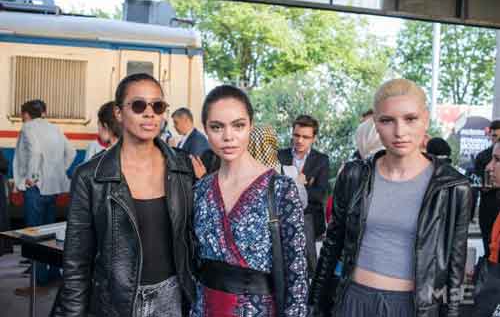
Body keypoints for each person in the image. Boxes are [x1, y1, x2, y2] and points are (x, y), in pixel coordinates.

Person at [310, 79, 472, 317]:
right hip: (352, 301)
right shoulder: (354, 175)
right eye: (387, 120)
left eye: (410, 119)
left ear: (425, 119)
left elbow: (454, 269)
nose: (399, 132)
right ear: (375, 123)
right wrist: (315, 305)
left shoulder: (453, 187)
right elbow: (332, 245)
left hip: (413, 307)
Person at [52, 73, 196, 317]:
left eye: (158, 106)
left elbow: (193, 242)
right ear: (118, 113)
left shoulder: (183, 167)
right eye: (139, 105)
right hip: (114, 303)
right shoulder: (90, 176)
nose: (150, 113)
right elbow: (77, 262)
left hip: (172, 300)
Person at [191, 85, 308, 317]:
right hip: (204, 309)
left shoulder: (280, 188)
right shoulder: (200, 189)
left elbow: (297, 276)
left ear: (250, 127)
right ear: (205, 129)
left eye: (238, 125)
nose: (228, 137)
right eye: (217, 127)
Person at [13, 99, 76, 294]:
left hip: (37, 188)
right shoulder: (54, 128)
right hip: (53, 188)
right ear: (44, 112)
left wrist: (32, 178)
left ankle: (39, 282)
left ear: (25, 114)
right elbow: (71, 152)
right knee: (50, 236)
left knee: (35, 236)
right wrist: (57, 171)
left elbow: (35, 152)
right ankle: (54, 275)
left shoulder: (28, 128)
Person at [278, 114, 330, 276]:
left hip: (309, 220)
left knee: (309, 267)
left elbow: (319, 195)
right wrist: (301, 184)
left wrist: (293, 185)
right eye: (297, 135)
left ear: (313, 138)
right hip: (282, 220)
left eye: (305, 137)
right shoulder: (280, 156)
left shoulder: (321, 160)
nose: (300, 140)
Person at [248, 125, 308, 207]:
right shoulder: (290, 171)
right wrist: (299, 183)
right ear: (273, 143)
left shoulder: (239, 176)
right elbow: (303, 204)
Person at [475, 120, 500, 257]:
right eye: (495, 136)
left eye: (497, 160)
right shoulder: (482, 156)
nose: (490, 167)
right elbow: (478, 183)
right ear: (490, 135)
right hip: (488, 208)